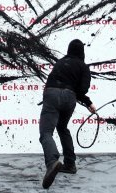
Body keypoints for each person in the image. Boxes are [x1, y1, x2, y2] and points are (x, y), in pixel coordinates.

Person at [39, 39, 97, 189]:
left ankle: (52, 163)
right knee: (62, 128)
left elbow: (50, 81)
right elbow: (81, 89)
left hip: (51, 95)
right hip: (69, 98)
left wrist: (51, 94)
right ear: (82, 52)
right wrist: (88, 102)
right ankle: (70, 164)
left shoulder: (60, 62)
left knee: (46, 132)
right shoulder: (83, 67)